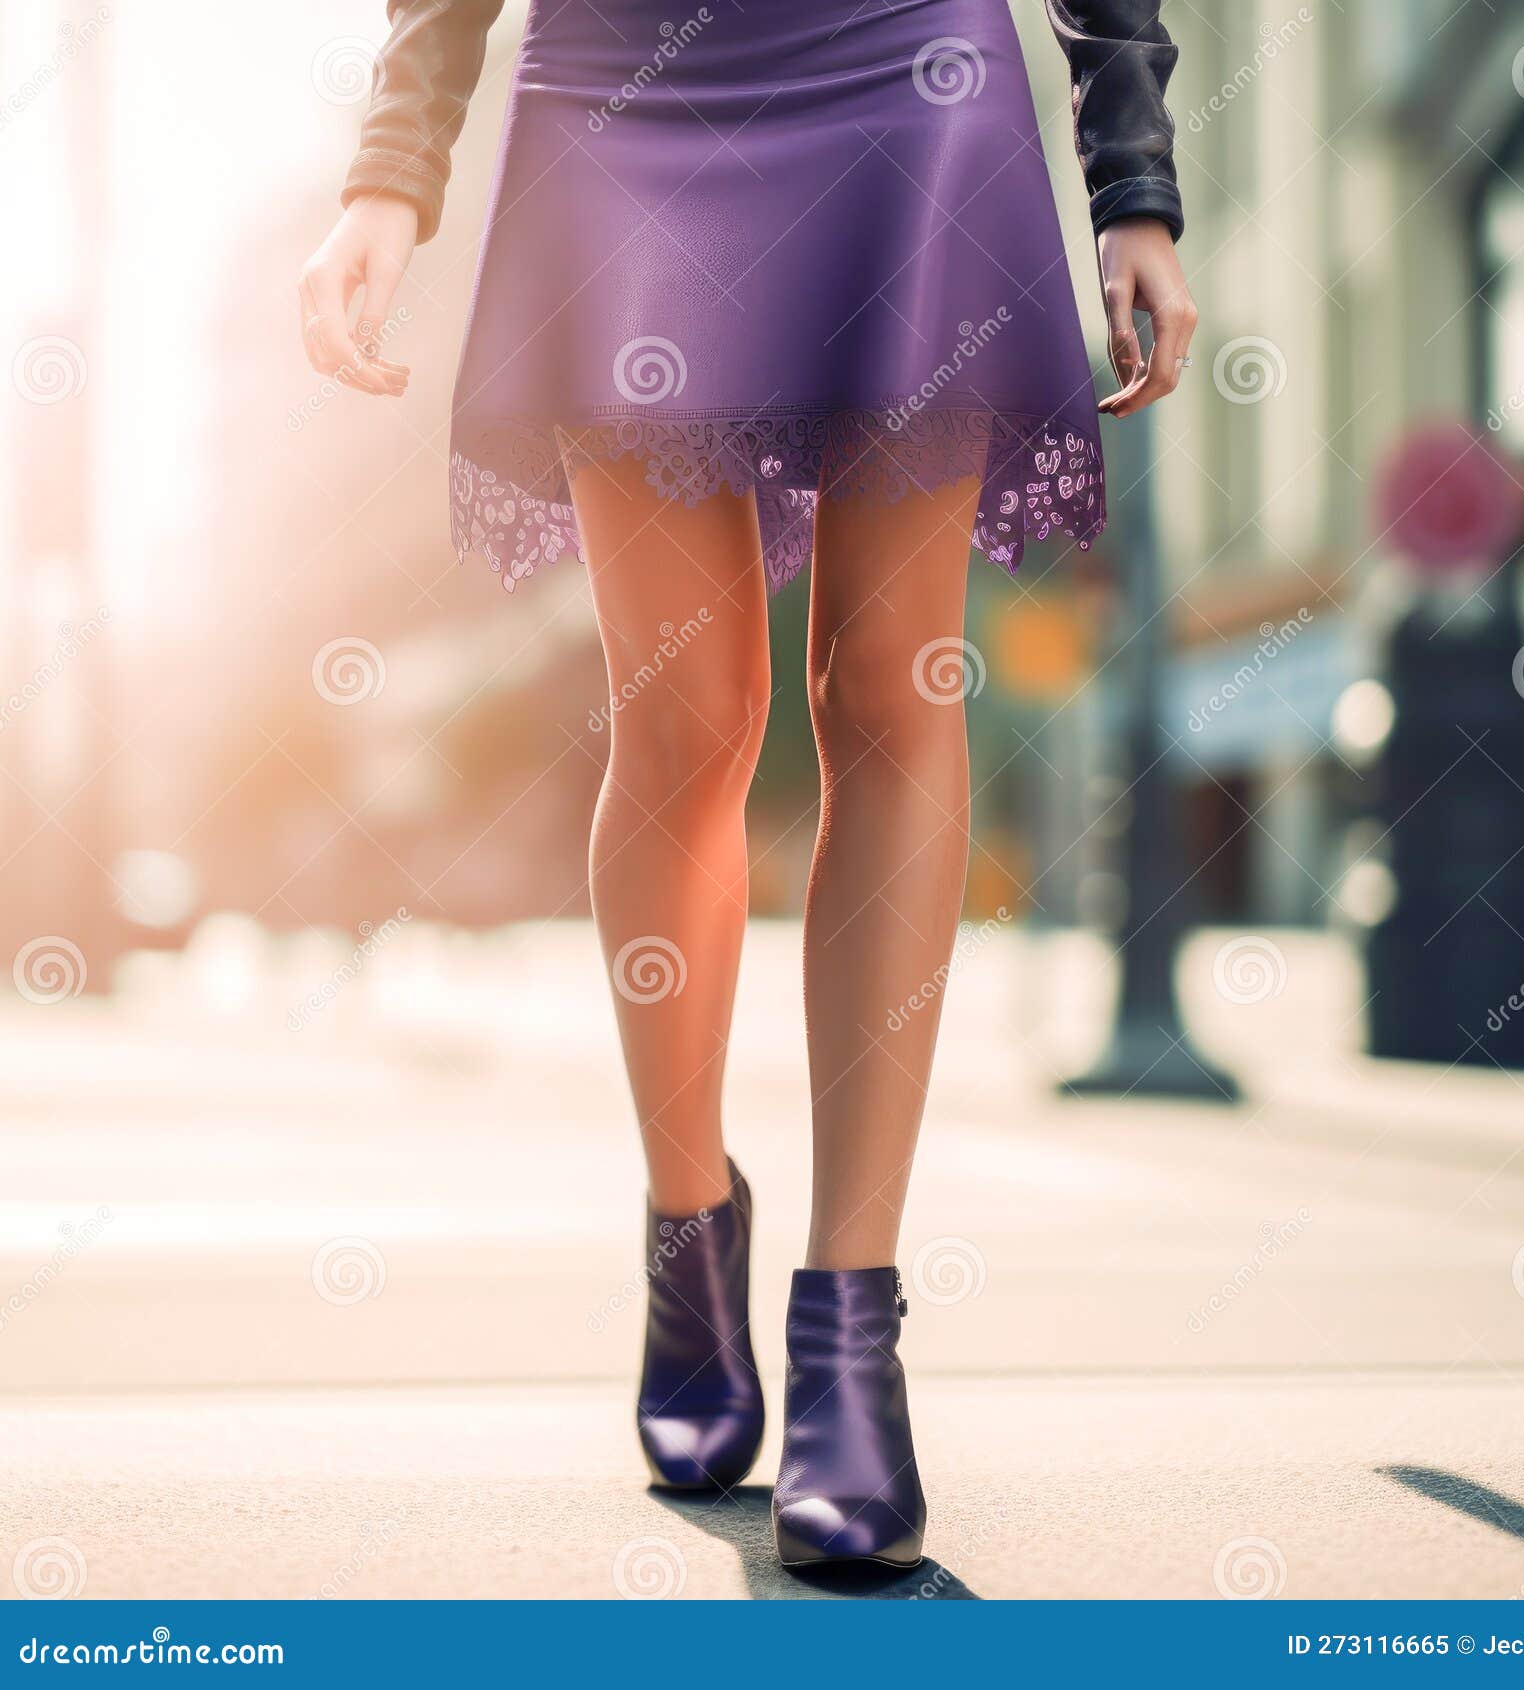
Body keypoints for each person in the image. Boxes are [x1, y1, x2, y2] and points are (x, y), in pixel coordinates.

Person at [300, 0, 1195, 1573]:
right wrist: (391, 167)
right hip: (619, 93)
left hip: (906, 71)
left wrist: (1132, 174)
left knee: (892, 689)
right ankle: (687, 1232)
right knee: (683, 719)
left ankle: (853, 1339)